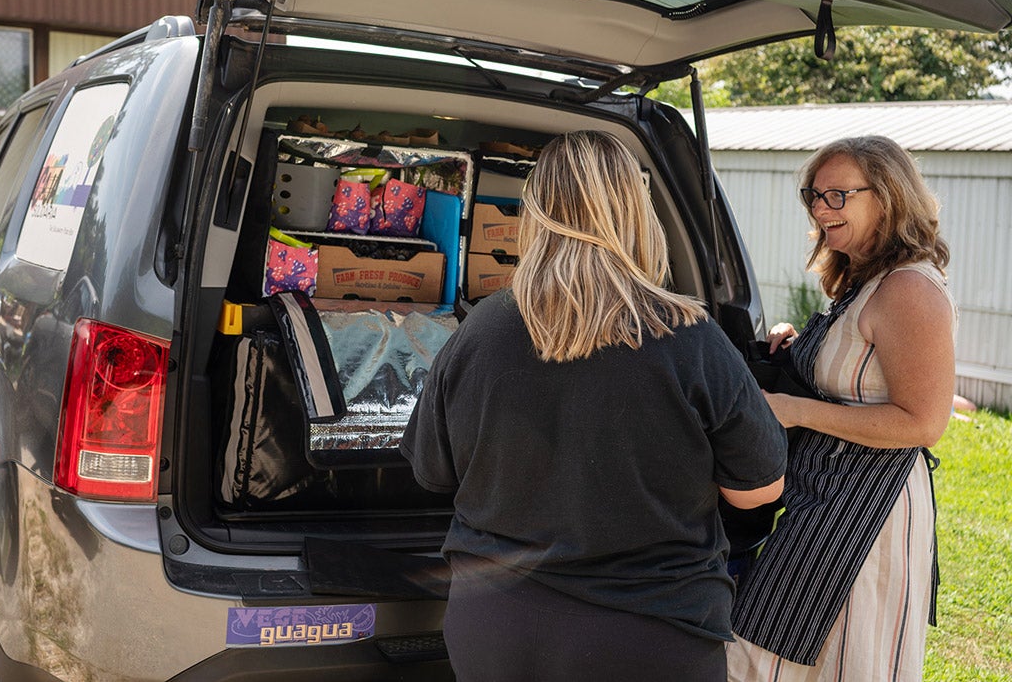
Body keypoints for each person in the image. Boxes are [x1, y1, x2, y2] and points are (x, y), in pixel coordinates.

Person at [400, 130, 787, 681]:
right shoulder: (689, 334)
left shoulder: (480, 329)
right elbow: (758, 490)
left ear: (534, 215)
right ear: (636, 214)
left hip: (499, 627)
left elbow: (433, 472)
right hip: (651, 633)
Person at [729, 135, 955, 681]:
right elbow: (857, 370)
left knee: (811, 654)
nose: (820, 208)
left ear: (888, 196)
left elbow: (924, 423)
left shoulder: (909, 289)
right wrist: (798, 344)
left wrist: (794, 409)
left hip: (865, 514)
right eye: (814, 195)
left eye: (838, 195)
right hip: (826, 496)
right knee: (769, 642)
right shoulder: (865, 281)